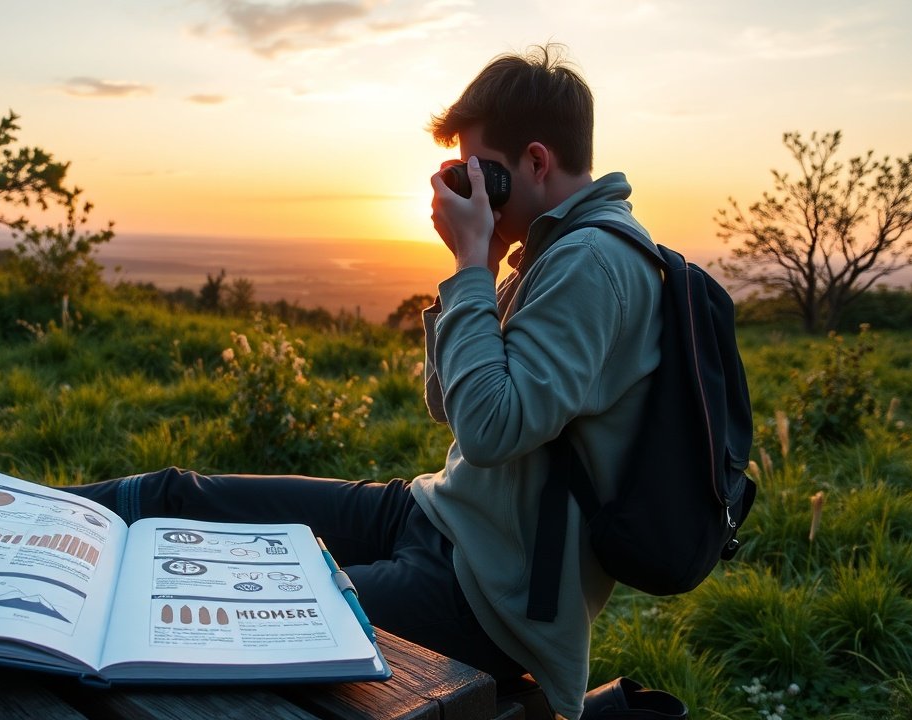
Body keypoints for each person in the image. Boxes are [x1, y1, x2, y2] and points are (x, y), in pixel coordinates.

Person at [66, 44, 661, 720]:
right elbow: (451, 405)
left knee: (236, 608)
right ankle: (8, 524)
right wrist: (483, 265)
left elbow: (491, 431)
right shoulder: (553, 249)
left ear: (534, 162)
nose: (467, 186)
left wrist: (471, 264)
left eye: (480, 171)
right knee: (178, 496)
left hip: (489, 597)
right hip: (437, 515)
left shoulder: (592, 262)